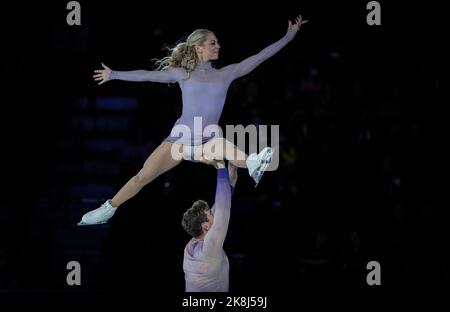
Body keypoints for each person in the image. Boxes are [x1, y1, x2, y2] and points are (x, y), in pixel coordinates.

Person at [78, 14, 308, 226]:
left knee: (224, 154)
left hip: (206, 140)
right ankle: (108, 208)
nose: (218, 46)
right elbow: (146, 75)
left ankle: (250, 165)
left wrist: (288, 36)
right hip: (179, 139)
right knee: (141, 177)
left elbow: (260, 57)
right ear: (198, 47)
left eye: (217, 42)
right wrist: (114, 74)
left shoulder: (226, 74)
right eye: (212, 43)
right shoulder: (183, 74)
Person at [181, 159, 237, 292]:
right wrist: (220, 166)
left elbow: (222, 203)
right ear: (206, 226)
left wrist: (230, 173)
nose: (214, 213)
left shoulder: (194, 244)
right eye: (211, 213)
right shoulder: (208, 249)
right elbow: (222, 208)